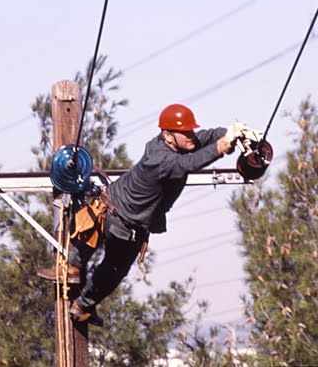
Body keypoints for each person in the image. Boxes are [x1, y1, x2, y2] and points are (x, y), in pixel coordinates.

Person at [38, 103, 254, 326]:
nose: (191, 135)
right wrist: (223, 145)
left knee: (100, 253)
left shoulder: (173, 143)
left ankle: (75, 280)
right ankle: (80, 297)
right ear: (167, 135)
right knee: (112, 268)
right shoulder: (162, 159)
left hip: (116, 211)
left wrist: (232, 134)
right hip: (121, 223)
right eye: (186, 132)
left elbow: (202, 138)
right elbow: (190, 163)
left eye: (191, 130)